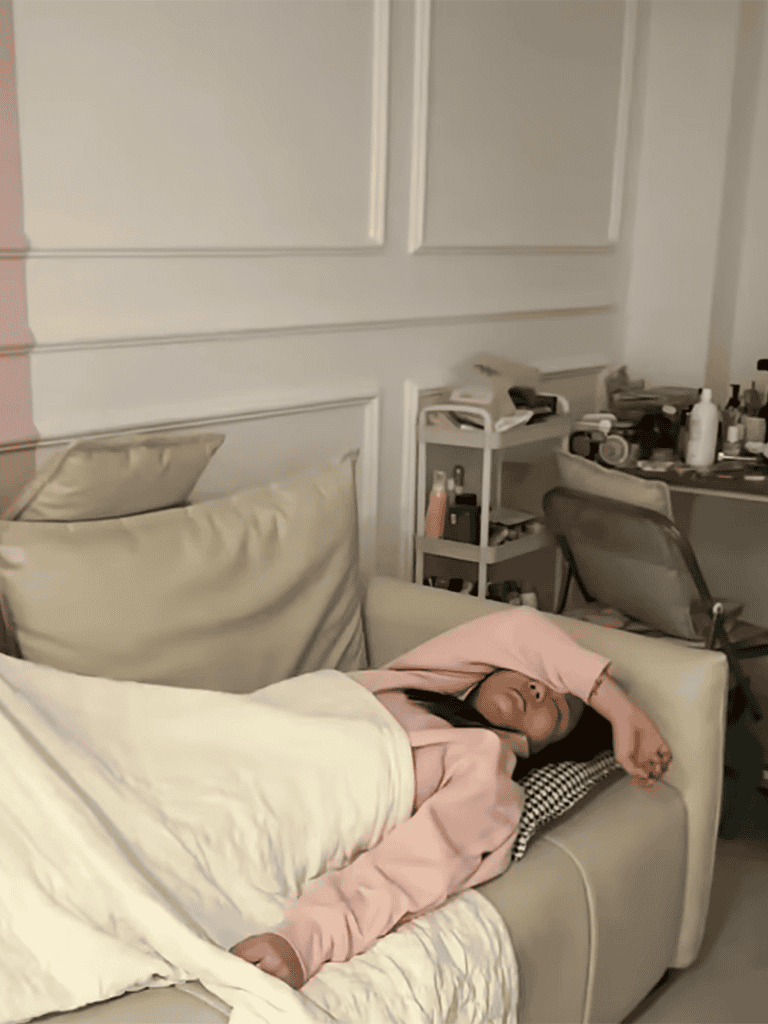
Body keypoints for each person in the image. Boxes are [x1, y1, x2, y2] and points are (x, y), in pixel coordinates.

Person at [230, 606, 672, 989]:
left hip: (265, 803)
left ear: (546, 749)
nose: (540, 691)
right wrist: (619, 707)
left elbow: (411, 868)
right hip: (242, 732)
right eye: (541, 676)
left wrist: (303, 942)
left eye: (554, 710)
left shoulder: (488, 777)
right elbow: (519, 628)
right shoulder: (416, 679)